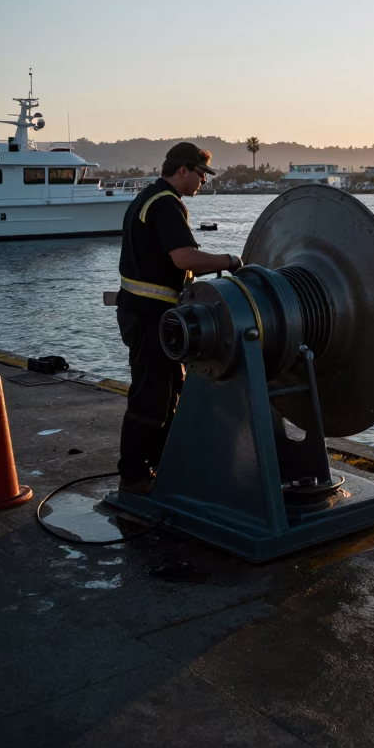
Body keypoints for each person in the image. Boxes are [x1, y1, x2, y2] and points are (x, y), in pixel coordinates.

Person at [116, 142, 243, 494]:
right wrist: (231, 261)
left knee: (171, 391)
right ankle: (134, 476)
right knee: (151, 397)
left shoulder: (149, 197)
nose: (204, 180)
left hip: (148, 315)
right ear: (182, 171)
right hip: (150, 318)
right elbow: (185, 258)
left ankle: (160, 465)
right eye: (201, 173)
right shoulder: (166, 205)